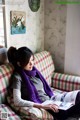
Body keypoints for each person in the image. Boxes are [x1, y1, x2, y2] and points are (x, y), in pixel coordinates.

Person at [7, 46, 80, 120]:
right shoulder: (17, 77)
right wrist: (42, 106)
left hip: (52, 99)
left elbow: (45, 91)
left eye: (32, 60)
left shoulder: (34, 71)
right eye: (28, 62)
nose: (32, 64)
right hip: (44, 104)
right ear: (19, 64)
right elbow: (17, 101)